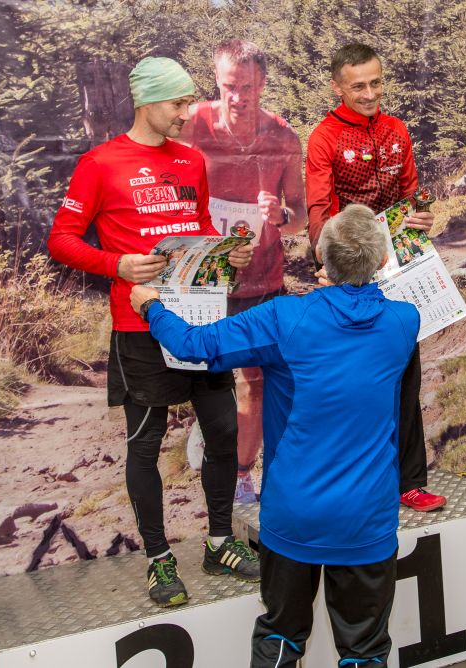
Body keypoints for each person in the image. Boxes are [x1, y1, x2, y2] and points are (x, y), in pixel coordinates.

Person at [130, 204, 417, 668]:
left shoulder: (286, 317)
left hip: (295, 515)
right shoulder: (404, 321)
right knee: (365, 653)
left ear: (321, 259)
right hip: (367, 517)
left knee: (280, 639)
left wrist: (151, 306)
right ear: (382, 261)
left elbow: (192, 345)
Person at [46, 57, 258, 607]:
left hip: (200, 318)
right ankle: (159, 559)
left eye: (190, 101)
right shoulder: (99, 163)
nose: (188, 113)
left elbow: (200, 227)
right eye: (179, 103)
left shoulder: (190, 159)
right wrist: (115, 264)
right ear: (147, 101)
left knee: (223, 433)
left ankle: (219, 542)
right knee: (145, 444)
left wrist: (227, 254)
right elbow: (62, 239)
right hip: (138, 323)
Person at [305, 42, 446, 512]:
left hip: (398, 267)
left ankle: (410, 482)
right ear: (337, 87)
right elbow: (319, 209)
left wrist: (422, 217)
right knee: (356, 384)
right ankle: (355, 486)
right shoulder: (325, 137)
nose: (369, 94)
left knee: (406, 375)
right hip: (349, 272)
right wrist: (325, 258)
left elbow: (412, 196)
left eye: (376, 82)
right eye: (358, 86)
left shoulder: (396, 130)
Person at [178, 39, 307, 504]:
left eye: (248, 87)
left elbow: (300, 217)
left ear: (263, 83)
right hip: (202, 273)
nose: (238, 97)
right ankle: (208, 428)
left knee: (255, 379)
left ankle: (241, 474)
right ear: (217, 81)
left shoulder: (283, 138)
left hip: (261, 276)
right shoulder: (192, 125)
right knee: (204, 371)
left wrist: (279, 216)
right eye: (230, 86)